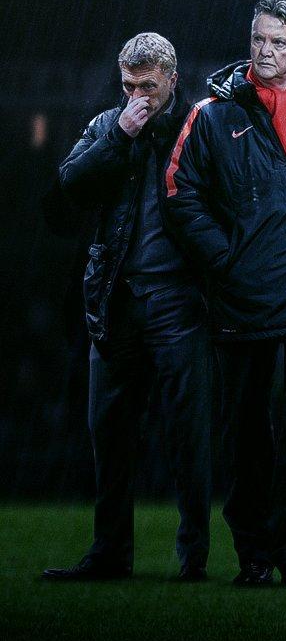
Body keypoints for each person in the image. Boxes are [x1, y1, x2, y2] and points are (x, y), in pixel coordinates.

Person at [165, 0, 286, 587]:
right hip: (244, 300)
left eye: (280, 42)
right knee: (246, 434)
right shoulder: (212, 114)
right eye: (259, 39)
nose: (266, 51)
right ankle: (255, 555)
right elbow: (178, 193)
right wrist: (226, 261)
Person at [43, 33, 211, 582]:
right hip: (115, 302)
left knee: (188, 434)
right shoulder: (106, 127)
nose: (137, 96)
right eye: (129, 85)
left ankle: (194, 558)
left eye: (148, 86)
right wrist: (119, 135)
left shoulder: (198, 126)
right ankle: (110, 552)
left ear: (171, 80)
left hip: (178, 302)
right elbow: (67, 189)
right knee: (110, 433)